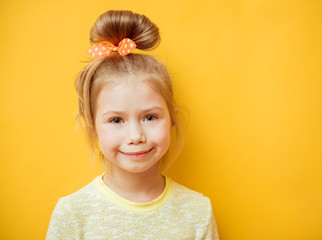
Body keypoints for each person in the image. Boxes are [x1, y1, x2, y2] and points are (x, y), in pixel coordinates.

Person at [46, 10, 219, 239]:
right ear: (93, 127)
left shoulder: (198, 212)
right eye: (116, 120)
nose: (136, 136)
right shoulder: (72, 214)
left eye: (150, 117)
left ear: (172, 119)